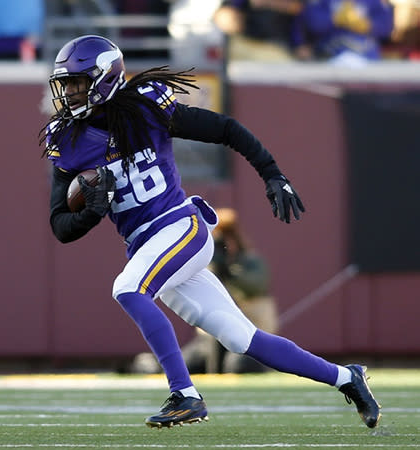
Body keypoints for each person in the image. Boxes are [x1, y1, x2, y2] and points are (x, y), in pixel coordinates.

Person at [40, 34, 381, 429]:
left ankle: (184, 394)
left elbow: (226, 129)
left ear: (103, 79)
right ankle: (347, 377)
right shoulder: (67, 140)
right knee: (242, 340)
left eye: (77, 83)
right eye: (65, 85)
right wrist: (91, 212)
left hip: (180, 227)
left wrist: (272, 174)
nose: (69, 93)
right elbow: (60, 226)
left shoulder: (146, 107)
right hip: (146, 246)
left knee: (127, 289)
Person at [183, 207, 278, 374]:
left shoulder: (250, 261)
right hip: (212, 337)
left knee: (237, 365)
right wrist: (213, 267)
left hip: (249, 334)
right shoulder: (205, 264)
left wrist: (230, 271)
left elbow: (256, 286)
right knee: (188, 363)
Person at [293, 0, 394, 65]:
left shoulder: (374, 2)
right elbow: (309, 23)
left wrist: (367, 25)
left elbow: (386, 28)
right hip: (328, 55)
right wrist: (334, 19)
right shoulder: (321, 2)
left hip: (366, 56)